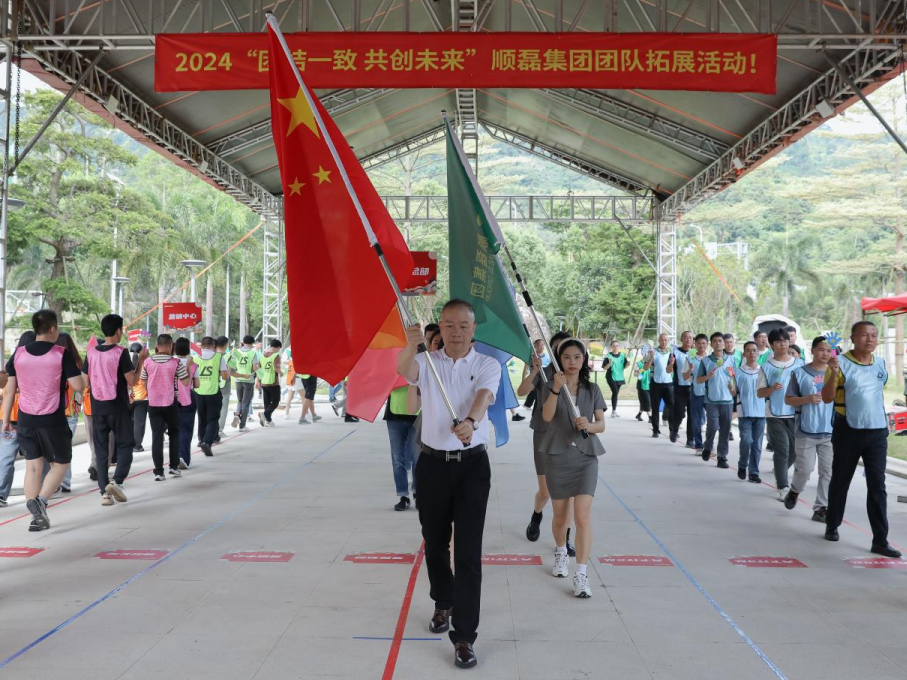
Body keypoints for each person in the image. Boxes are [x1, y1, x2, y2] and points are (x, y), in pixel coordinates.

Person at [397, 299, 501, 670]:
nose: (456, 332)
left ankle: (464, 636)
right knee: (435, 542)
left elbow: (483, 397)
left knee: (469, 552)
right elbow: (406, 372)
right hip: (432, 466)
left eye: (463, 325)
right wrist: (412, 345)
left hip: (473, 466)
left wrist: (471, 422)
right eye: (449, 325)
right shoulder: (427, 362)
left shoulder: (488, 365)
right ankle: (443, 601)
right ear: (440, 327)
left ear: (473, 329)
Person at [822, 321, 900, 557]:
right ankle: (832, 524)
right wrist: (833, 374)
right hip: (848, 429)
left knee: (877, 485)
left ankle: (880, 540)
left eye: (874, 335)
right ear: (853, 338)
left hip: (877, 431)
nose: (870, 339)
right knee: (841, 479)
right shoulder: (839, 363)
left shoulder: (881, 363)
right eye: (864, 335)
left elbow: (876, 391)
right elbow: (826, 398)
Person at [2, 310, 83, 530]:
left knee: (33, 467)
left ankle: (36, 516)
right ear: (52, 329)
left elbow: (9, 391)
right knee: (61, 463)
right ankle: (41, 501)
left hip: (26, 419)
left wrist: (6, 421)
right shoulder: (60, 353)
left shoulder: (18, 354)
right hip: (52, 419)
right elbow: (78, 386)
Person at [540, 339, 606, 599]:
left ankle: (581, 573)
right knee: (560, 517)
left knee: (582, 516)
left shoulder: (593, 389)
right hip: (557, 456)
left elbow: (601, 424)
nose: (572, 362)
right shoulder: (551, 385)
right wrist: (556, 389)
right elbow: (546, 417)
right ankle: (560, 552)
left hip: (586, 458)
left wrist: (588, 425)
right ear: (559, 360)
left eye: (577, 357)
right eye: (566, 357)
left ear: (584, 360)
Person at [517, 330, 574, 552]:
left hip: (568, 437)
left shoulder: (577, 374)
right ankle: (537, 514)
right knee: (547, 490)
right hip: (543, 433)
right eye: (556, 348)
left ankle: (564, 539)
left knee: (567, 493)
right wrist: (535, 370)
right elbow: (522, 391)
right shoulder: (545, 372)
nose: (562, 353)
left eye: (566, 348)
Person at [83, 314, 144, 506]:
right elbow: (133, 381)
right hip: (118, 408)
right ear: (118, 331)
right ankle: (117, 482)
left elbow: (85, 382)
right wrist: (141, 360)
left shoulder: (91, 352)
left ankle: (105, 493)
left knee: (101, 451)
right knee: (126, 445)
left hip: (97, 408)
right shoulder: (121, 352)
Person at [784, 337, 834, 521]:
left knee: (827, 471)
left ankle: (821, 507)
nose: (825, 354)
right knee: (804, 470)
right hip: (806, 430)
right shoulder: (799, 373)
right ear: (812, 350)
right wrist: (806, 399)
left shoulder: (835, 374)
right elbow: (788, 399)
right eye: (821, 349)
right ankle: (795, 491)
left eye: (829, 350)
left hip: (830, 431)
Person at [141, 334, 192, 481]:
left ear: (157, 346)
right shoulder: (175, 362)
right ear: (170, 346)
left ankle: (158, 471)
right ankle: (173, 467)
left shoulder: (148, 362)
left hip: (153, 404)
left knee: (157, 437)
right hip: (171, 403)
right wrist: (188, 367)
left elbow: (143, 381)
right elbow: (186, 382)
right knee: (174, 434)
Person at [756, 328, 797, 502]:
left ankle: (780, 471)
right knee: (782, 449)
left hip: (795, 413)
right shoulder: (766, 367)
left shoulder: (799, 364)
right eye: (779, 341)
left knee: (794, 452)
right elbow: (760, 393)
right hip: (774, 413)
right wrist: (771, 389)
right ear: (772, 345)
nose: (783, 344)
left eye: (785, 340)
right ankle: (783, 486)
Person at [696, 332, 736, 468]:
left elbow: (735, 379)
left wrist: (733, 387)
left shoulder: (732, 360)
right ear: (711, 344)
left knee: (725, 430)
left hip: (727, 400)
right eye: (715, 341)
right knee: (712, 427)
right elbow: (698, 379)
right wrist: (708, 376)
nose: (718, 343)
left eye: (720, 341)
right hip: (711, 400)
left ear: (724, 344)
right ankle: (707, 447)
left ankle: (722, 457)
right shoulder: (706, 361)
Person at [194, 336, 230, 456]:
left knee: (201, 417)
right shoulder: (219, 357)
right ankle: (207, 442)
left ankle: (201, 439)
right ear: (213, 346)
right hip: (213, 392)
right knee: (213, 419)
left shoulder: (194, 358)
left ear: (201, 345)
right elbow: (225, 376)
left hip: (198, 392)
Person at [735, 341, 765, 483]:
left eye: (754, 350)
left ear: (758, 353)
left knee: (757, 444)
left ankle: (753, 472)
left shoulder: (764, 371)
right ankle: (742, 465)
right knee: (747, 440)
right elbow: (734, 391)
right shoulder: (738, 372)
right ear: (744, 353)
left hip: (761, 413)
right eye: (749, 350)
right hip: (745, 412)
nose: (752, 353)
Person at [385, 385, 418, 511]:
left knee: (416, 457)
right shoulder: (389, 366)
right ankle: (403, 495)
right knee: (398, 458)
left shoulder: (422, 365)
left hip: (417, 414)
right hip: (394, 415)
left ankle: (417, 493)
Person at [643, 333, 675, 438]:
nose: (664, 342)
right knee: (655, 408)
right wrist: (651, 357)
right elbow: (646, 367)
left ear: (668, 341)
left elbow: (672, 369)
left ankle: (672, 430)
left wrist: (671, 363)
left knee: (671, 408)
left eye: (666, 340)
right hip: (656, 383)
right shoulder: (652, 352)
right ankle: (655, 430)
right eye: (662, 340)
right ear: (659, 340)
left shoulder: (671, 353)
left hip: (668, 383)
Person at [175, 338, 199, 468]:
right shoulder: (193, 364)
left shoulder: (171, 362)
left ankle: (173, 459)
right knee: (186, 429)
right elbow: (197, 384)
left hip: (172, 399)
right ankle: (183, 457)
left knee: (174, 430)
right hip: (188, 398)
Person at [684, 334, 709, 451]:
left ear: (708, 345)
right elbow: (685, 376)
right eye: (699, 343)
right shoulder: (690, 358)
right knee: (696, 419)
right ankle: (698, 444)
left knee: (712, 421)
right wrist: (690, 369)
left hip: (711, 394)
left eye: (704, 343)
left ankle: (709, 444)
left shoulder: (712, 359)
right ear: (695, 344)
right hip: (696, 392)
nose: (701, 345)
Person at [230, 335, 259, 431]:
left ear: (243, 341)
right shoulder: (252, 353)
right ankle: (242, 425)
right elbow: (255, 368)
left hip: (238, 379)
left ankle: (237, 414)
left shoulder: (236, 351)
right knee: (246, 403)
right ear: (252, 343)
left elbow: (232, 365)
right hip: (248, 380)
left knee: (240, 401)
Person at [670, 331, 693, 443]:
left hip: (693, 388)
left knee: (692, 414)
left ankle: (690, 439)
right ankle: (674, 430)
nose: (688, 339)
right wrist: (670, 363)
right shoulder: (675, 352)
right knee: (679, 412)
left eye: (690, 338)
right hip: (680, 387)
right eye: (685, 337)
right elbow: (669, 369)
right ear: (682, 339)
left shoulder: (695, 353)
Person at [256, 340, 283, 427]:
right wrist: (282, 373)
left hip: (264, 381)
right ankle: (265, 414)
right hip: (273, 382)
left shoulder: (262, 355)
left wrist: (258, 381)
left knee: (267, 402)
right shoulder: (276, 355)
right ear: (278, 347)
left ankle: (268, 421)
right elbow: (276, 368)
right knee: (275, 401)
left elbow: (258, 369)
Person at [130, 342, 148, 453]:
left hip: (130, 397)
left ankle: (129, 443)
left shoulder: (127, 364)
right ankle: (137, 445)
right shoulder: (145, 364)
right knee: (139, 423)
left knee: (130, 421)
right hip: (142, 397)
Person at [602, 341, 628, 417]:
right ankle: (613, 411)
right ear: (611, 347)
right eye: (614, 346)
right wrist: (609, 363)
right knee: (615, 392)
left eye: (617, 346)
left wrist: (628, 364)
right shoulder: (608, 356)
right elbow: (604, 368)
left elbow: (624, 367)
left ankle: (614, 410)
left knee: (615, 394)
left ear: (618, 347)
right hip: (610, 376)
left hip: (619, 377)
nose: (615, 347)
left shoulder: (622, 356)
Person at [216, 336, 233, 440]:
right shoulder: (228, 356)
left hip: (213, 386)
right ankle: (220, 430)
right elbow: (230, 373)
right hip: (225, 386)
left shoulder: (212, 356)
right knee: (223, 408)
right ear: (226, 345)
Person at [634, 353, 651, 422]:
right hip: (642, 385)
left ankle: (639, 414)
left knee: (645, 401)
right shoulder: (638, 364)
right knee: (647, 401)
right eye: (646, 354)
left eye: (648, 355)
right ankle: (650, 417)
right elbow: (636, 374)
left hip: (650, 385)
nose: (647, 356)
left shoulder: (651, 363)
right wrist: (642, 370)